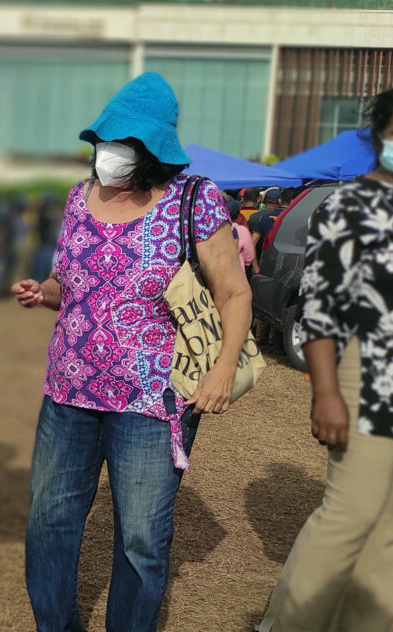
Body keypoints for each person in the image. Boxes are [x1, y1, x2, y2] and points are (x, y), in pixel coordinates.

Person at [15, 72, 252, 632]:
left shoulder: (194, 200)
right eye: (105, 141)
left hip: (151, 404)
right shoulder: (78, 197)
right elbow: (67, 285)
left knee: (141, 539)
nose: (108, 154)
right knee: (49, 523)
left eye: (124, 143)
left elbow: (235, 293)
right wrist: (41, 292)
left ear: (152, 151)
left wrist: (221, 371)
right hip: (68, 393)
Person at [257, 80, 393, 632]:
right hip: (368, 373)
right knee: (350, 515)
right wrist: (325, 393)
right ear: (381, 137)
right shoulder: (349, 205)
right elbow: (321, 308)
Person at [227, 198, 255, 276]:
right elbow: (249, 255)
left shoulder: (214, 229)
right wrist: (246, 262)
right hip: (237, 272)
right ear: (237, 215)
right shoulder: (242, 230)